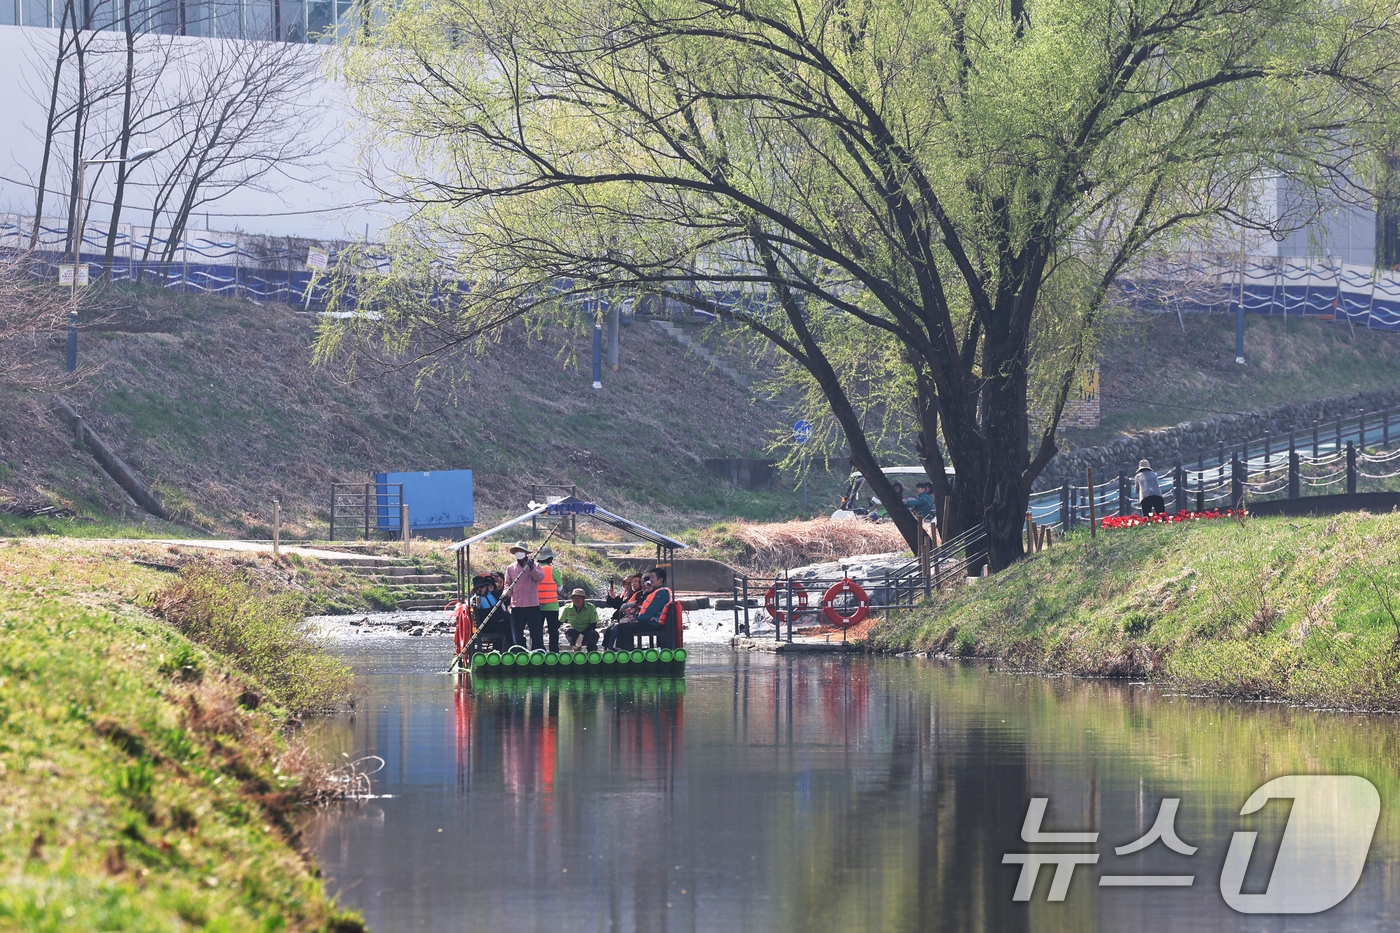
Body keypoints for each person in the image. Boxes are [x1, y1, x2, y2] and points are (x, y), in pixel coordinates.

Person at [604, 567, 672, 650]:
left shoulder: (662, 593)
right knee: (622, 626)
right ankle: (621, 649)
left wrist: (636, 619)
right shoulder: (656, 591)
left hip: (654, 623)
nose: (650, 580)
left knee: (627, 627)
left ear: (660, 580)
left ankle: (629, 651)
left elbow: (651, 611)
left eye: (652, 577)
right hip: (649, 622)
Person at [503, 541, 545, 650]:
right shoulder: (510, 568)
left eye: (521, 551)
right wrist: (505, 594)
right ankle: (520, 652)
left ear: (526, 552)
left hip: (532, 604)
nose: (519, 553)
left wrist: (532, 568)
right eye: (517, 551)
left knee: (536, 633)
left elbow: (540, 578)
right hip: (517, 605)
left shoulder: (534, 565)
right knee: (517, 633)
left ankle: (538, 652)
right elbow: (508, 584)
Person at [536, 545, 562, 651]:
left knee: (537, 631)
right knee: (553, 631)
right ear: (550, 559)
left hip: (537, 606)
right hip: (552, 606)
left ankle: (539, 650)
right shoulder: (553, 570)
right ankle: (554, 652)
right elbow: (560, 588)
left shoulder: (534, 570)